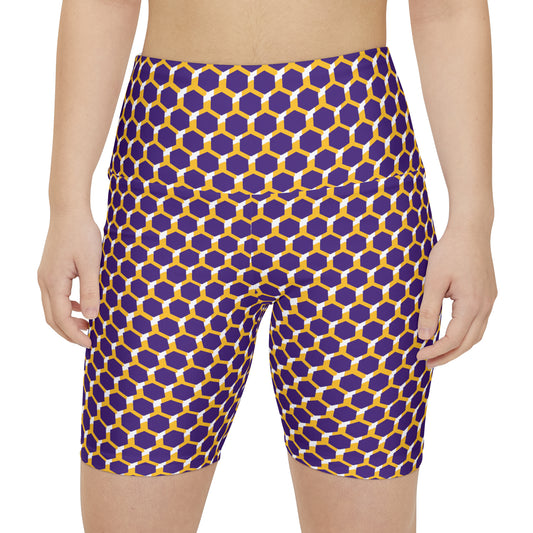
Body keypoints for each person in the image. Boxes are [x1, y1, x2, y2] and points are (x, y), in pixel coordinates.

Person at [37, 0, 497, 531]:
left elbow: (447, 10)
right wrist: (66, 203)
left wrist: (473, 220)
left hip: (359, 186)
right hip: (168, 183)